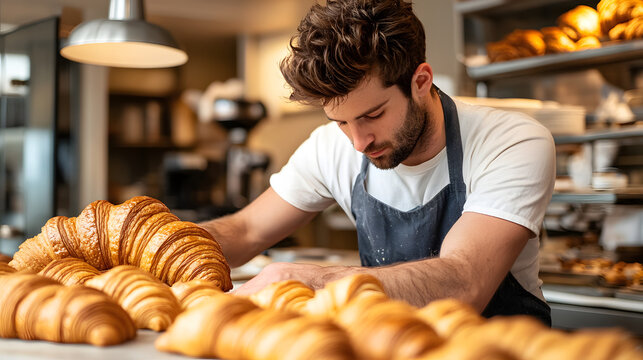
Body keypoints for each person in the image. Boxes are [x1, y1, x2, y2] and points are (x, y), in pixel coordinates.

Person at [199, 0, 555, 325]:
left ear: (420, 81)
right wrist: (163, 244)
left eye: (373, 114)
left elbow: (465, 281)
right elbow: (246, 231)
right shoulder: (330, 149)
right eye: (340, 122)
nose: (358, 141)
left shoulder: (512, 142)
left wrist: (309, 280)